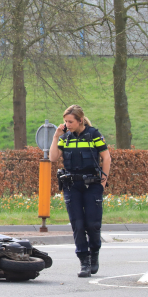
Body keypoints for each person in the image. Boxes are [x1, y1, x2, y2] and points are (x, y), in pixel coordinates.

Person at [49, 104, 111, 277]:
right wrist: (56, 137)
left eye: (70, 121)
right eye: (65, 122)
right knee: (77, 225)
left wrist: (103, 182)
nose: (67, 124)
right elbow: (53, 158)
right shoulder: (65, 137)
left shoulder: (93, 135)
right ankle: (84, 261)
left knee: (92, 224)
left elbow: (106, 157)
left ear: (80, 120)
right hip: (71, 185)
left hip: (92, 184)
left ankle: (94, 255)